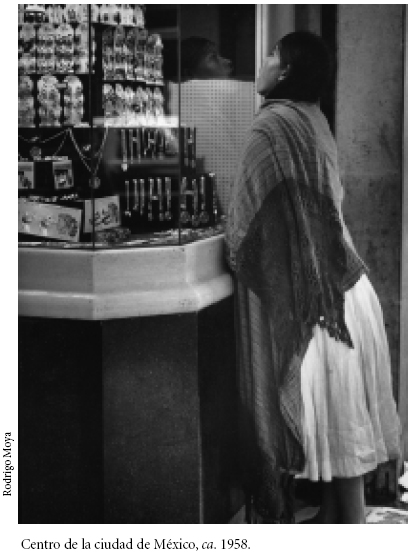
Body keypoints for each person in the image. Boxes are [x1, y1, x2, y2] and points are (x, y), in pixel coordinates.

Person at [225, 31, 401, 524]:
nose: (263, 61)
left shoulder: (270, 127)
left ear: (284, 70)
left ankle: (345, 527)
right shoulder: (314, 119)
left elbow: (243, 228)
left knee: (340, 444)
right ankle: (335, 522)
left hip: (318, 311)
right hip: (348, 295)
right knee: (344, 446)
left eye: (271, 54)